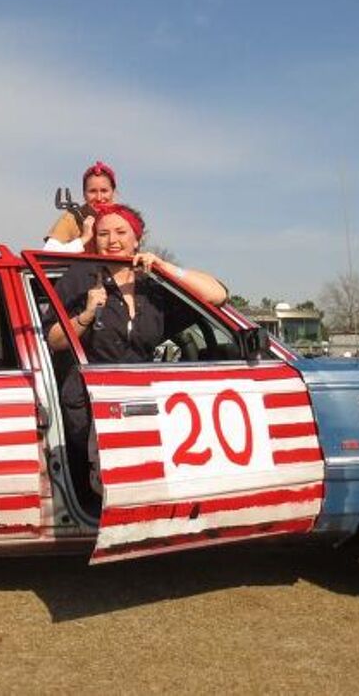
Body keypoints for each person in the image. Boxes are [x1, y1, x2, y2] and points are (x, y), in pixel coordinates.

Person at [46, 203, 228, 504]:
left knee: (139, 492)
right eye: (103, 234)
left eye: (121, 232)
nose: (112, 240)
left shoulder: (153, 283)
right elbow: (54, 340)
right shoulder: (79, 278)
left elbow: (217, 294)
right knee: (106, 492)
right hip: (91, 406)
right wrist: (87, 315)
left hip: (142, 405)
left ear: (137, 239)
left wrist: (164, 267)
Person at [43, 160, 117, 253]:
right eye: (92, 191)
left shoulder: (123, 218)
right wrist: (85, 238)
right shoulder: (72, 217)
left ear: (113, 193)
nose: (99, 198)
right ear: (84, 195)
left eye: (104, 191)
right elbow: (48, 252)